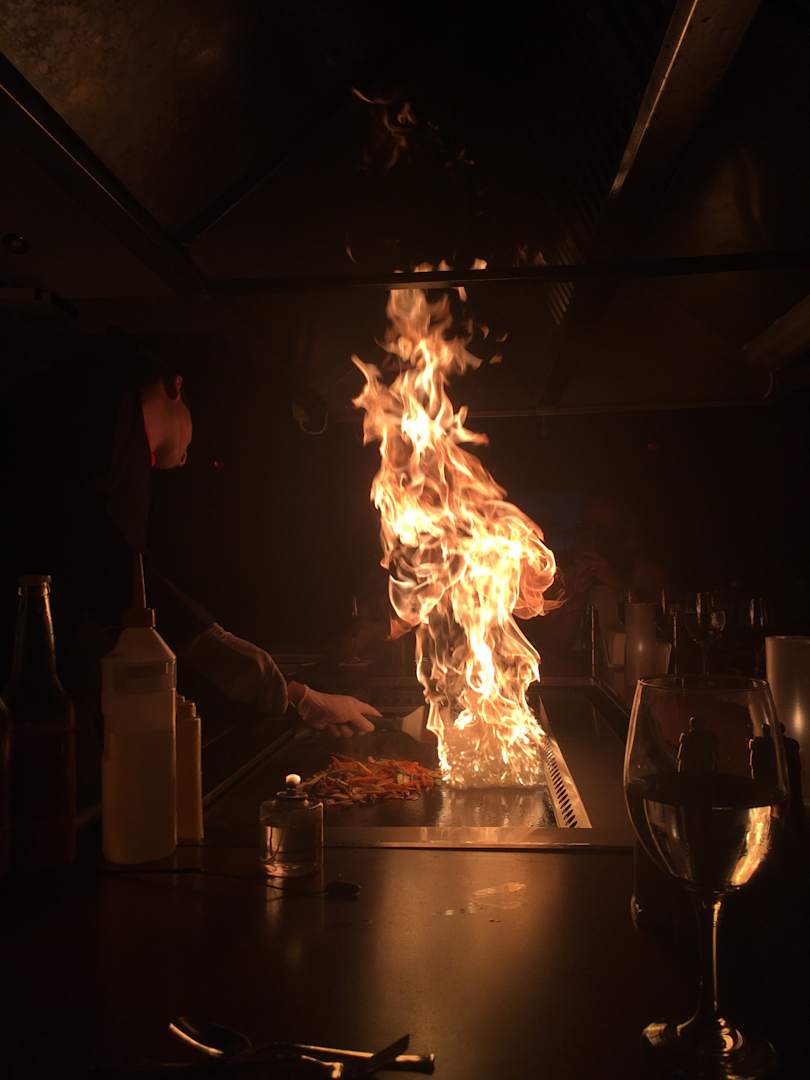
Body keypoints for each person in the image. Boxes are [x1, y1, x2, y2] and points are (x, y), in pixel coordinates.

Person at [1, 333, 379, 802]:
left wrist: (292, 695)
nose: (190, 455)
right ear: (174, 387)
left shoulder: (94, 431)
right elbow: (118, 579)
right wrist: (291, 693)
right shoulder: (105, 418)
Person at [528, 490, 667, 670]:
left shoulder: (642, 573)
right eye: (589, 527)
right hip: (579, 677)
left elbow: (660, 633)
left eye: (607, 530)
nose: (595, 538)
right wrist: (576, 597)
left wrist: (614, 583)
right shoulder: (561, 576)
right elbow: (554, 647)